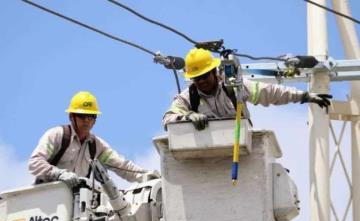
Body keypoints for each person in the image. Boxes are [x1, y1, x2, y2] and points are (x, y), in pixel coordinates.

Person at [163, 48, 332, 130]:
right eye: (197, 78)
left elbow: (271, 93)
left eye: (204, 76)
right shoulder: (188, 97)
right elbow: (167, 119)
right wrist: (188, 115)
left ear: (214, 72)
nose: (201, 81)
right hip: (208, 154)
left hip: (240, 148)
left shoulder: (234, 88)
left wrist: (305, 96)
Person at [29, 91, 159, 187]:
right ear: (71, 117)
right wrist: (58, 174)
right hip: (47, 198)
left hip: (74, 205)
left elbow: (122, 166)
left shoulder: (96, 146)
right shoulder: (57, 135)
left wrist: (145, 176)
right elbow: (35, 162)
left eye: (91, 116)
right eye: (82, 115)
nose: (86, 120)